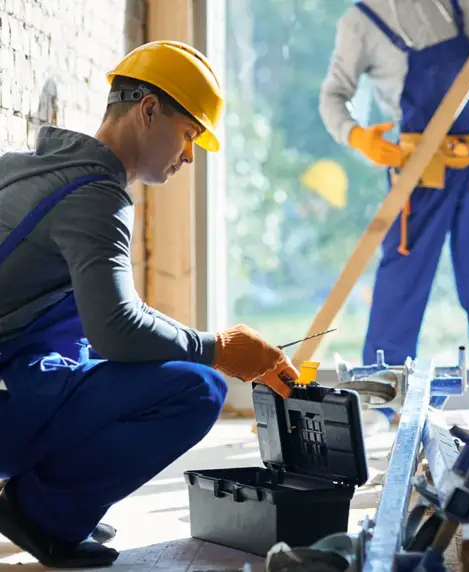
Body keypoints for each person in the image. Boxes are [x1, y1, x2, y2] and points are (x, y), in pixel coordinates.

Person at [0, 40, 298, 569]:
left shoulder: (28, 168)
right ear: (149, 110)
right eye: (188, 135)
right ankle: (43, 513)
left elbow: (109, 320)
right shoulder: (95, 197)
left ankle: (57, 496)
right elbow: (118, 329)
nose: (188, 156)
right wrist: (219, 350)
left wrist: (210, 343)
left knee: (112, 363)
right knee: (196, 387)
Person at [319, 0, 469, 410]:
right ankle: (383, 397)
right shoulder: (361, 22)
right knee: (401, 285)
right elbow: (333, 96)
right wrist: (358, 137)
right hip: (420, 171)